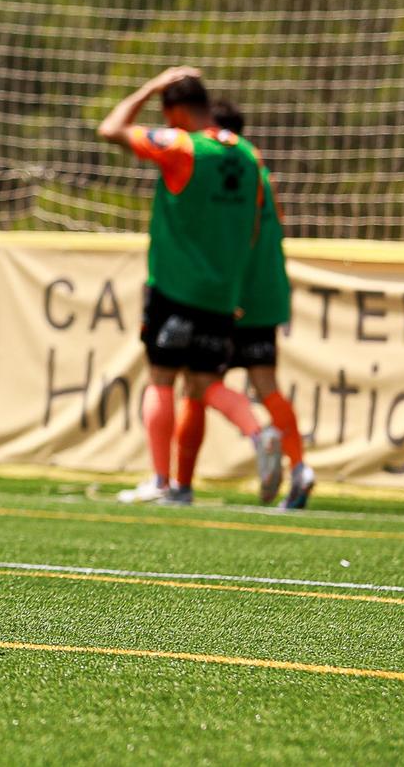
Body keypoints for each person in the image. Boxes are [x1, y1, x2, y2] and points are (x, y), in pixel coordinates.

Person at [97, 67, 265, 506]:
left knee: (162, 379)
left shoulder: (182, 146)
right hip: (224, 292)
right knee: (205, 382)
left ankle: (159, 479)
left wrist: (151, 84)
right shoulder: (249, 155)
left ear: (173, 112)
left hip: (175, 288)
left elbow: (110, 128)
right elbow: (252, 230)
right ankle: (257, 431)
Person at [212, 98, 314, 510]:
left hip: (235, 293)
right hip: (269, 292)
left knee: (194, 384)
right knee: (266, 384)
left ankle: (175, 482)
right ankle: (300, 467)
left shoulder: (225, 174)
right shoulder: (263, 174)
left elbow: (240, 235)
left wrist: (230, 291)